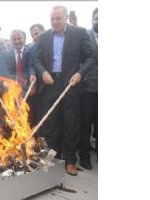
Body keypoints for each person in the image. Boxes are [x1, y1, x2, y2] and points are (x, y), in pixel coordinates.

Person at [35, 5, 95, 176]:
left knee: (71, 123)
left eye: (58, 18)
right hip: (50, 83)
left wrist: (80, 73)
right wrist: (43, 72)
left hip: (71, 83)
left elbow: (91, 57)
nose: (55, 22)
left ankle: (70, 161)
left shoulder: (79, 33)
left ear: (66, 17)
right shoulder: (45, 36)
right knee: (50, 125)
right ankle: (51, 159)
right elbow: (37, 59)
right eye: (52, 19)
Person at [78, 7, 98, 170]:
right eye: (97, 18)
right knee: (85, 123)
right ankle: (84, 156)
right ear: (92, 20)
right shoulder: (85, 35)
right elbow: (80, 58)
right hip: (88, 87)